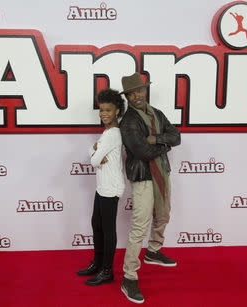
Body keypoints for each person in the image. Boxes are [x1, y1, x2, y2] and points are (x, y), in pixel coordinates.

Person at [119, 72, 181, 303]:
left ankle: (153, 251)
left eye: (140, 90)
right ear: (127, 96)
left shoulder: (157, 113)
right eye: (132, 92)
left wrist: (156, 140)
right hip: (143, 177)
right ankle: (129, 277)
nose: (137, 95)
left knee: (163, 215)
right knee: (140, 225)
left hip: (162, 173)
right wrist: (165, 145)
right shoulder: (129, 121)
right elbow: (141, 152)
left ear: (145, 91)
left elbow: (177, 136)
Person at [76, 88, 125, 286]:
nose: (103, 114)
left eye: (108, 110)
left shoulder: (112, 134)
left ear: (117, 112)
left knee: (107, 230)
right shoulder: (106, 134)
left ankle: (107, 271)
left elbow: (94, 161)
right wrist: (95, 152)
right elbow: (94, 153)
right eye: (101, 110)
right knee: (97, 225)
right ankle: (97, 263)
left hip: (111, 188)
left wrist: (96, 154)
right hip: (101, 187)